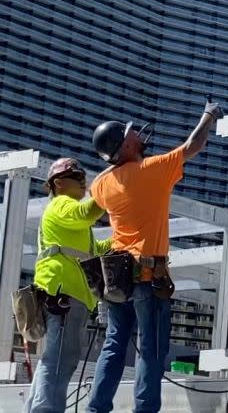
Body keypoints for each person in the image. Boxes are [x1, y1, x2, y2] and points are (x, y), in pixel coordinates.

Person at [86, 100, 223, 413]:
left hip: (118, 278)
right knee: (150, 349)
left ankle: (96, 408)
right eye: (132, 136)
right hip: (148, 277)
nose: (140, 137)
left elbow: (106, 172)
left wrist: (119, 155)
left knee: (114, 344)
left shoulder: (103, 184)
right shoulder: (152, 170)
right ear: (125, 146)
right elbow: (193, 145)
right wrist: (209, 115)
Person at [25, 158, 111, 413]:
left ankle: (37, 409)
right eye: (77, 177)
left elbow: (94, 251)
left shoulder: (68, 221)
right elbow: (87, 213)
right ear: (58, 183)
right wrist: (108, 189)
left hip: (63, 292)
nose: (84, 181)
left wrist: (120, 240)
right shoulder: (62, 204)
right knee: (61, 358)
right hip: (65, 292)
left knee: (54, 357)